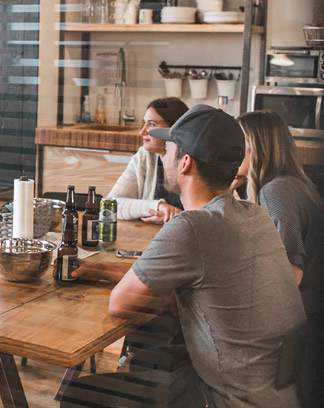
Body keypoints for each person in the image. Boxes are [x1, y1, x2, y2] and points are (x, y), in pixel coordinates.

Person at [64, 105, 306, 407]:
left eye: (168, 149)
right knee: (156, 350)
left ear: (186, 162)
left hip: (228, 399)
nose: (162, 155)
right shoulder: (252, 214)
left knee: (79, 395)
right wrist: (99, 271)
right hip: (279, 392)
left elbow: (121, 302)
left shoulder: (192, 226)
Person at [237, 110, 323, 407]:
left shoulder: (277, 192)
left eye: (239, 146)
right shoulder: (292, 184)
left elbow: (290, 273)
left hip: (305, 326)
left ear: (256, 148)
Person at [107, 97, 188, 223]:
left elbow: (206, 215)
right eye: (144, 123)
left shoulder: (192, 161)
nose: (141, 132)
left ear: (174, 129)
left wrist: (175, 217)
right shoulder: (144, 156)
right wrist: (158, 207)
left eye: (151, 124)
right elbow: (111, 204)